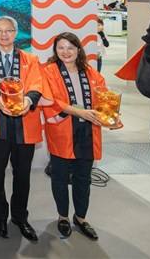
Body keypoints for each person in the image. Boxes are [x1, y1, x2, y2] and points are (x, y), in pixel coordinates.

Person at [43, 32, 122, 240]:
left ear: (78, 50)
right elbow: (49, 101)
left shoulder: (91, 73)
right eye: (61, 47)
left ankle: (81, 217)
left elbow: (103, 98)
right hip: (62, 131)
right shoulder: (49, 71)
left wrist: (110, 115)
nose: (65, 52)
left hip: (87, 132)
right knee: (59, 178)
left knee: (83, 178)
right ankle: (62, 216)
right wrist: (79, 112)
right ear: (55, 50)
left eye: (70, 47)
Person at [0, 15, 48, 242]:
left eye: (8, 30)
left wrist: (27, 102)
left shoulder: (30, 59)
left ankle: (19, 216)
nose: (4, 35)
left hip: (24, 124)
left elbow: (37, 85)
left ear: (16, 33)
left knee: (22, 174)